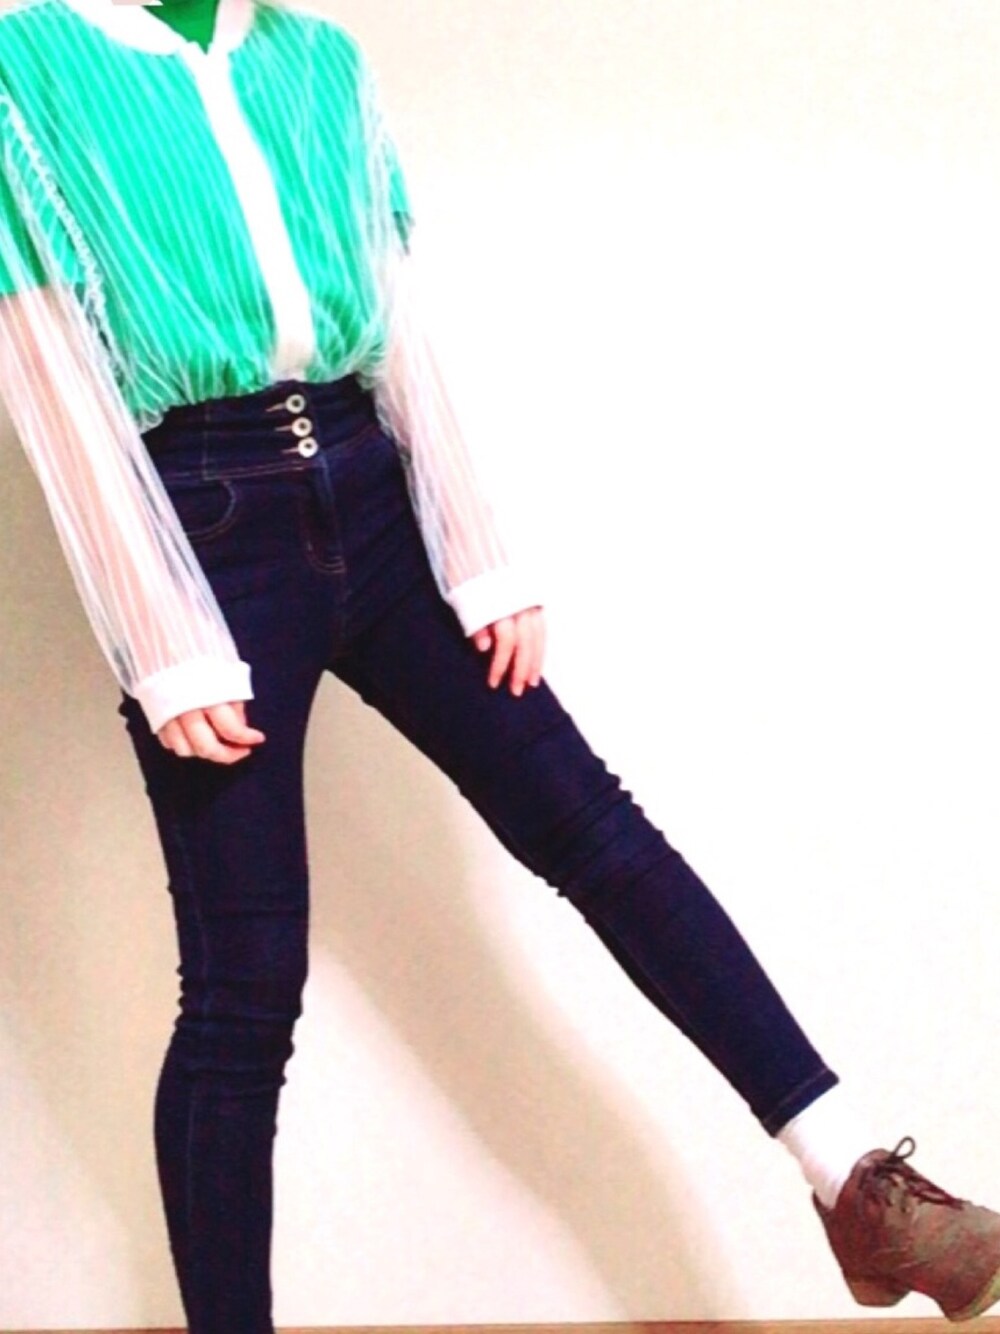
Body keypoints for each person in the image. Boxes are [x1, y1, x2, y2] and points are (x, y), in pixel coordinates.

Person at [0, 0, 997, 1330]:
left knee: (600, 833)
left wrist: (476, 551)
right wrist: (159, 632)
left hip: (378, 497)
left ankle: (858, 1188)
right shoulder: (27, 63)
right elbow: (48, 361)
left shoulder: (319, 61)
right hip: (205, 526)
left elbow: (396, 316)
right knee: (246, 988)